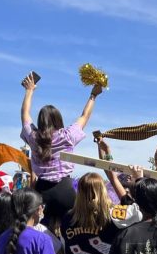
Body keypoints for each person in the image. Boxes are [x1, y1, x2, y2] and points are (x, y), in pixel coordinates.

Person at [19, 72, 103, 226]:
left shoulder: (33, 137)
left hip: (41, 192)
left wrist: (29, 90)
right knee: (70, 230)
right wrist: (93, 95)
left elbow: (25, 114)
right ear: (59, 120)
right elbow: (84, 116)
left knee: (42, 233)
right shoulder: (67, 135)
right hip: (66, 190)